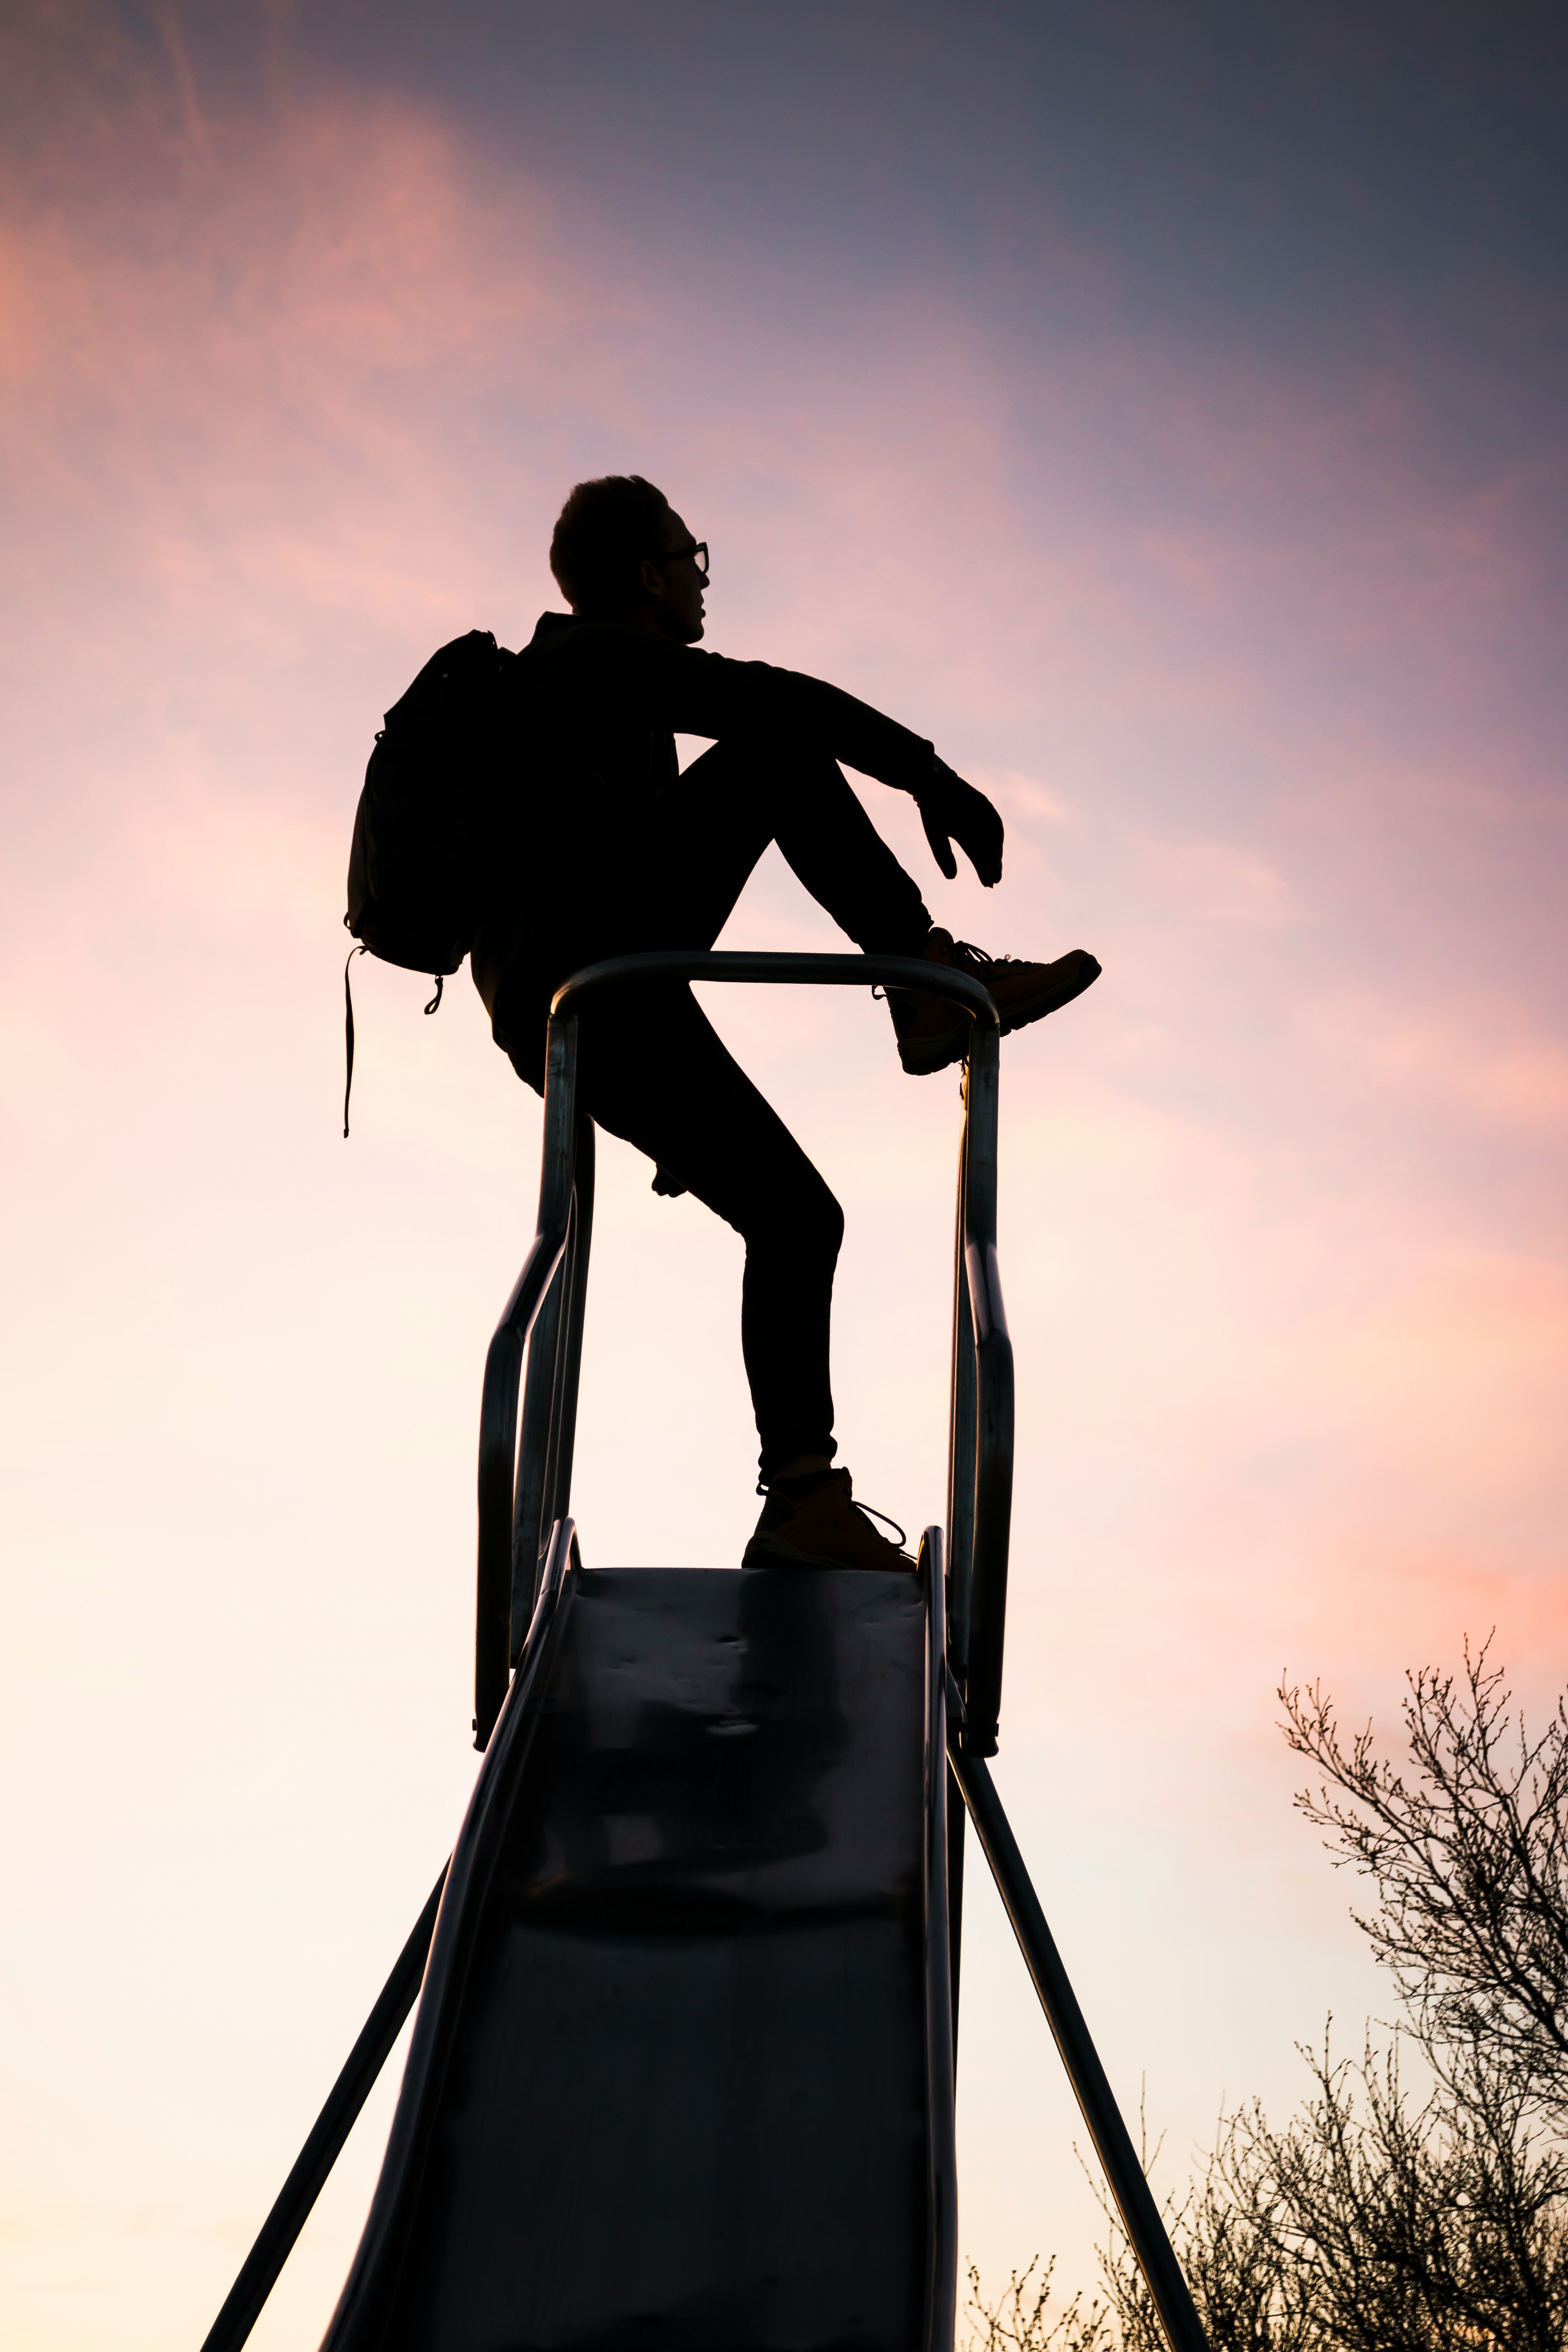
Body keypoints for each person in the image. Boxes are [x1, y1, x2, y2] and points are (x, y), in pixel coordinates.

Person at [471, 475, 1099, 1574]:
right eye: (690, 555)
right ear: (644, 574)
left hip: (601, 999)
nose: (703, 577)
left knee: (798, 1218)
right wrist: (926, 772)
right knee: (778, 747)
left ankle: (802, 1501)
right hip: (593, 976)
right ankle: (917, 982)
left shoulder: (591, 697)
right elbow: (770, 700)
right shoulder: (583, 661)